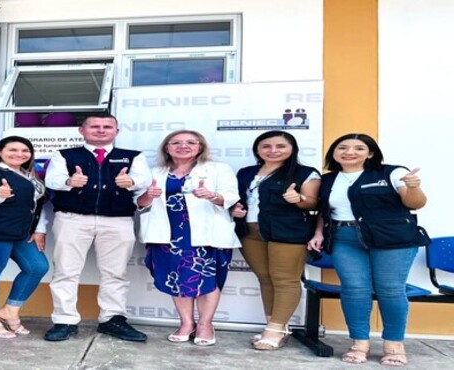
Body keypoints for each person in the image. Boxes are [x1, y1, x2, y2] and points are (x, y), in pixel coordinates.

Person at [307, 133, 427, 366]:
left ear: (370, 153)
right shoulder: (329, 179)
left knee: (390, 289)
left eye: (359, 148)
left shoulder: (392, 172)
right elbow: (324, 210)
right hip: (344, 238)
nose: (349, 152)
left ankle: (394, 343)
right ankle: (359, 342)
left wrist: (413, 187)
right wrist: (319, 232)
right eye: (342, 147)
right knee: (353, 289)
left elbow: (415, 203)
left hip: (391, 239)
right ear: (334, 153)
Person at [43, 113, 151, 342]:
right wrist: (69, 182)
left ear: (116, 131)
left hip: (118, 220)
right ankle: (64, 320)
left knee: (115, 273)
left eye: (107, 127)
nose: (101, 130)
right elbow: (52, 180)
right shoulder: (64, 154)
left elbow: (144, 180)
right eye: (95, 126)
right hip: (72, 219)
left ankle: (112, 319)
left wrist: (131, 182)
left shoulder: (133, 157)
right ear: (82, 130)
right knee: (66, 271)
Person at [137, 130, 240, 346]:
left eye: (191, 142)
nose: (183, 146)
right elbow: (138, 203)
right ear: (167, 147)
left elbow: (231, 196)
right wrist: (148, 196)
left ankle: (205, 324)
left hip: (205, 235)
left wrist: (213, 196)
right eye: (176, 142)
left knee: (207, 280)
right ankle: (186, 323)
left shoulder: (218, 169)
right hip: (168, 235)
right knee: (178, 280)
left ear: (200, 147)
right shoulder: (154, 171)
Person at [230, 130, 320, 350]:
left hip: (288, 232)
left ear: (292, 149)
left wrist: (299, 199)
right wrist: (235, 209)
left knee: (285, 280)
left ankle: (275, 330)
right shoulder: (246, 172)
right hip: (249, 232)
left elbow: (314, 203)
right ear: (257, 150)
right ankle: (274, 325)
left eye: (280, 146)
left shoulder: (305, 173)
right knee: (265, 278)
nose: (273, 150)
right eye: (266, 146)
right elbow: (237, 198)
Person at [0, 136, 49, 339]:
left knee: (37, 267)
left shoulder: (28, 175)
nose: (19, 154)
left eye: (25, 150)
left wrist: (39, 228)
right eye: (12, 150)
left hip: (20, 233)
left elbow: (36, 206)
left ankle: (9, 311)